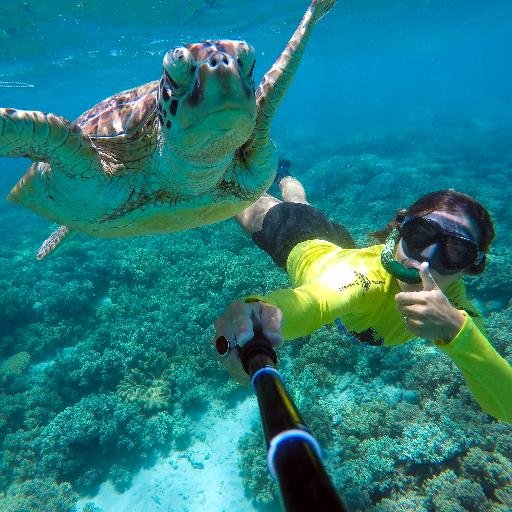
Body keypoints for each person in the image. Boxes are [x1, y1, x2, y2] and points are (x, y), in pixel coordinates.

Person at [214, 161, 512, 423]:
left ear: (469, 267)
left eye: (455, 252)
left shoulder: (456, 308)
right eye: (420, 236)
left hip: (336, 242)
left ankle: (284, 174)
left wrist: (458, 332)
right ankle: (227, 169)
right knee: (237, 197)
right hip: (293, 238)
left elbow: (506, 407)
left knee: (302, 205)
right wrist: (258, 317)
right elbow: (316, 302)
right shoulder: (362, 279)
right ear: (401, 229)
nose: (426, 261)